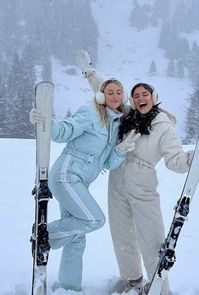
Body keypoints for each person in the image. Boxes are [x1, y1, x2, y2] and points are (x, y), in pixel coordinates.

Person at [78, 56, 199, 294]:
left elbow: (175, 161)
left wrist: (194, 158)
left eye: (146, 94)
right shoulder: (128, 114)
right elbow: (109, 94)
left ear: (154, 98)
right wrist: (90, 73)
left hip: (142, 182)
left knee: (151, 238)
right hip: (118, 178)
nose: (141, 98)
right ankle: (132, 279)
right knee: (121, 234)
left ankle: (159, 287)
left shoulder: (164, 126)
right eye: (137, 95)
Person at [29, 78, 141, 293]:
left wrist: (120, 150)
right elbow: (63, 131)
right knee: (94, 219)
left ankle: (69, 287)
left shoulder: (117, 124)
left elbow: (108, 163)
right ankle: (45, 236)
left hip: (81, 182)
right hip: (66, 176)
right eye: (110, 92)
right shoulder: (90, 113)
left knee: (77, 237)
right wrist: (44, 122)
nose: (115, 96)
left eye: (119, 92)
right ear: (101, 96)